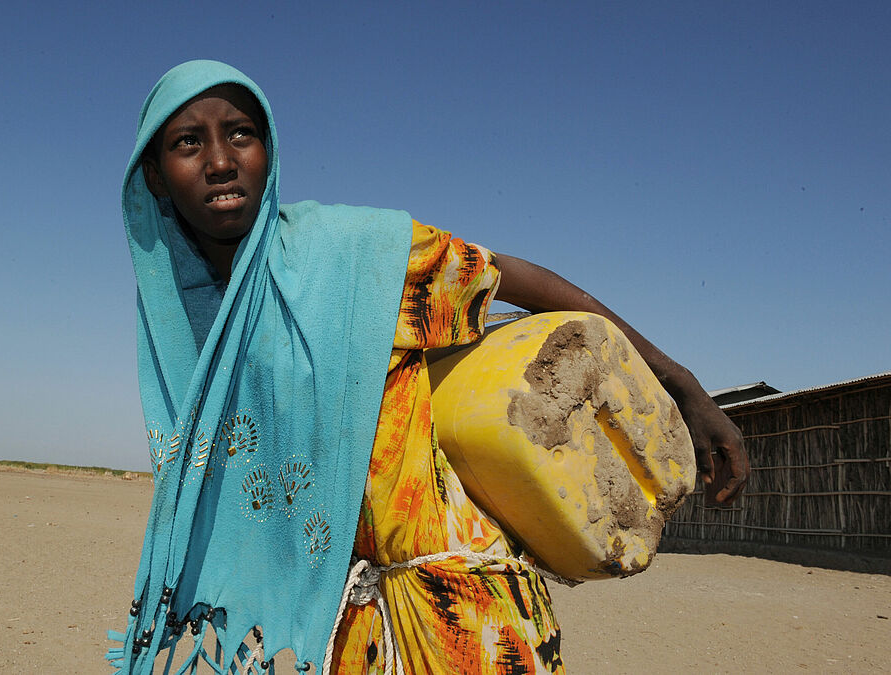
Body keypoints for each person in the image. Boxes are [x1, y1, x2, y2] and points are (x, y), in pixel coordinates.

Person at [109, 60, 749, 675]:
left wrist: (679, 381)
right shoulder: (191, 324)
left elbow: (515, 279)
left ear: (268, 152)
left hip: (464, 611)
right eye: (188, 142)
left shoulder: (356, 258)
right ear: (157, 176)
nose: (221, 160)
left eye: (241, 134)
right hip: (351, 626)